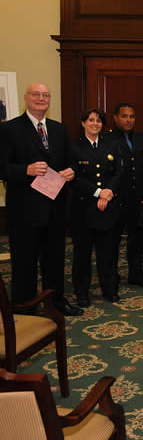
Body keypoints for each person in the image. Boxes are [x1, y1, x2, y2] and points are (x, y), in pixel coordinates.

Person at [0, 83, 82, 316]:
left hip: (55, 207)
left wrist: (71, 172)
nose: (41, 98)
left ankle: (55, 301)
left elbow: (71, 162)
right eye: (36, 94)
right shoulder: (9, 130)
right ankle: (24, 306)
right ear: (26, 98)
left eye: (45, 95)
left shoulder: (58, 129)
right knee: (24, 260)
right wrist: (25, 169)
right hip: (24, 209)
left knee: (55, 258)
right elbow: (1, 167)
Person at [70, 108, 123, 305]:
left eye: (99, 121)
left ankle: (109, 290)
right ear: (83, 123)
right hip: (83, 209)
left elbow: (119, 172)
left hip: (107, 207)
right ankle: (82, 293)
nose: (95, 124)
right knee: (82, 253)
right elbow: (74, 177)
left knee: (107, 252)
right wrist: (98, 192)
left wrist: (107, 193)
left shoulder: (112, 144)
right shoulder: (73, 146)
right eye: (91, 120)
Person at [105, 102, 143, 288]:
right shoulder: (107, 139)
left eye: (132, 116)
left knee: (137, 240)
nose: (129, 120)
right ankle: (111, 276)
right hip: (116, 199)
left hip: (139, 199)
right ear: (115, 117)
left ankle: (136, 275)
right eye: (125, 116)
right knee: (112, 240)